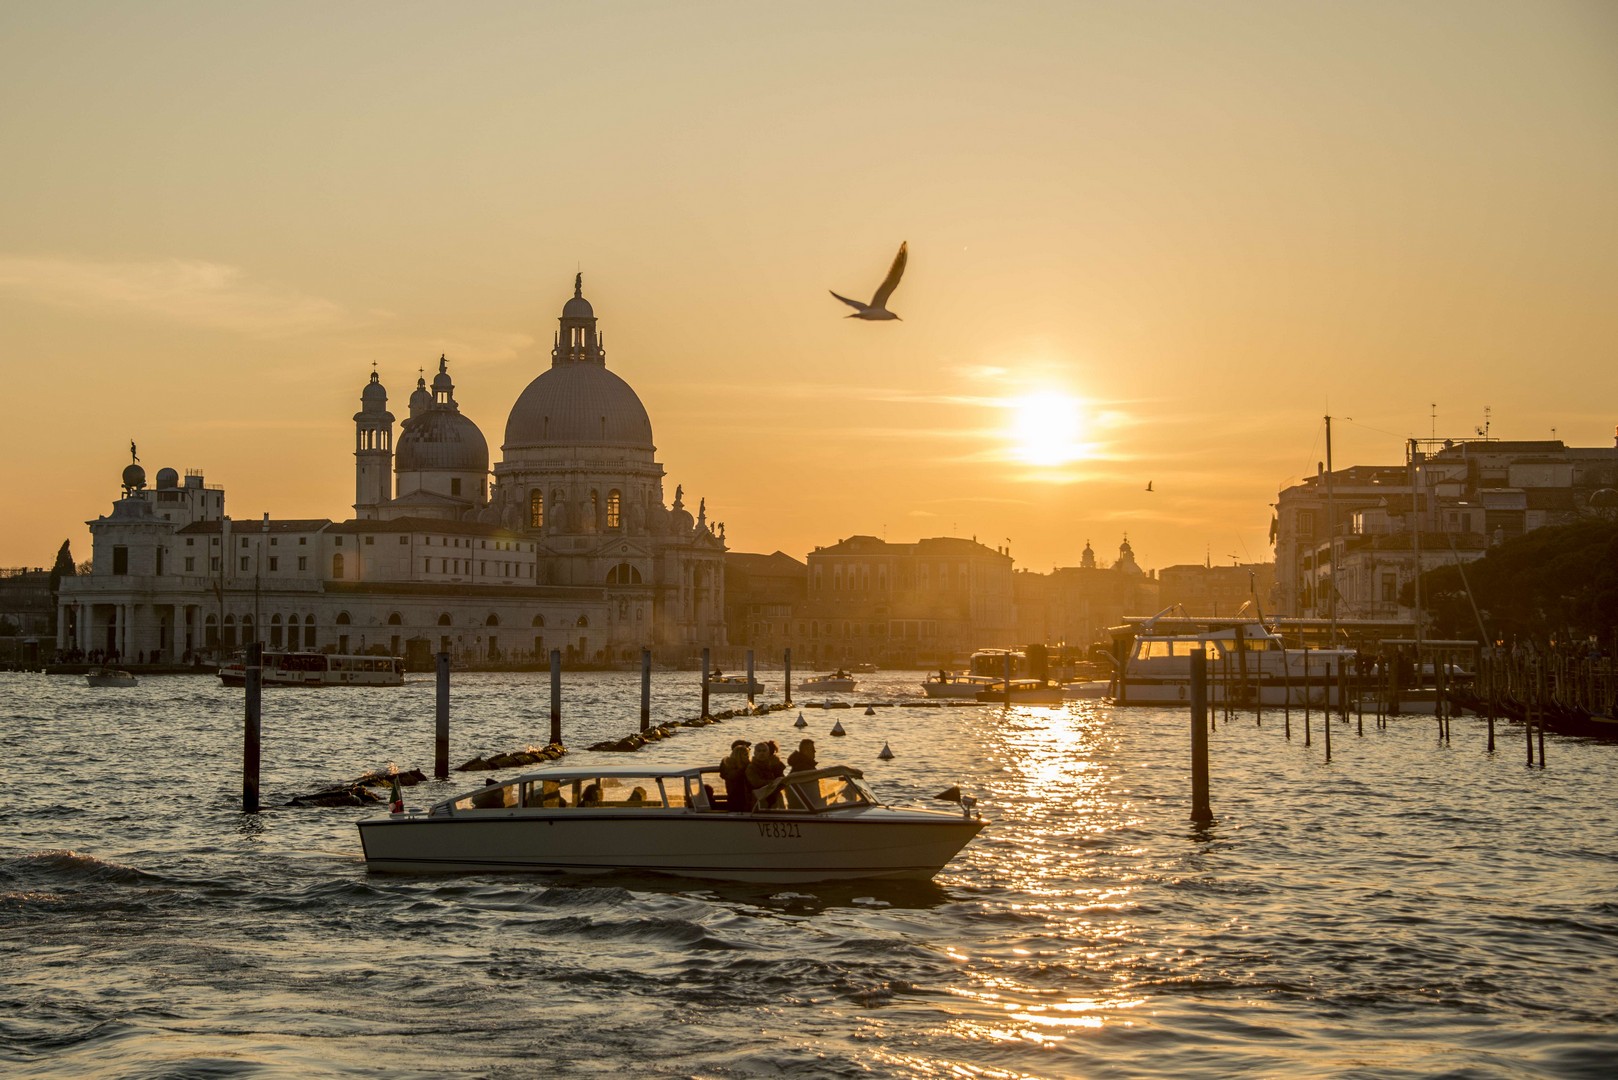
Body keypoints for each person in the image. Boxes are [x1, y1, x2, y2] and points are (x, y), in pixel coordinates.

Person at [747, 740, 786, 809]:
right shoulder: (751, 767)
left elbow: (783, 782)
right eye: (759, 751)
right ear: (755, 753)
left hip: (775, 798)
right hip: (759, 800)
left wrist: (778, 782)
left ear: (768, 753)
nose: (762, 753)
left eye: (764, 751)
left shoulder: (774, 766)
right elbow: (756, 783)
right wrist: (773, 782)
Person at [718, 739, 752, 812]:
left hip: (743, 801)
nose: (749, 749)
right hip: (739, 803)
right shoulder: (735, 769)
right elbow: (732, 776)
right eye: (746, 748)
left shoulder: (747, 767)